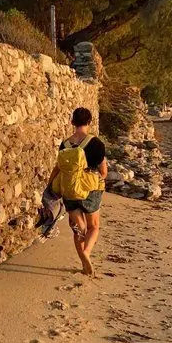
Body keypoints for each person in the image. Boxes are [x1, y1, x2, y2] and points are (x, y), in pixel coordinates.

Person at [51, 107, 108, 275]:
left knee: (78, 229)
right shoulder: (96, 143)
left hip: (69, 190)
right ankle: (86, 253)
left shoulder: (65, 144)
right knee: (94, 227)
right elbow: (103, 172)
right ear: (89, 122)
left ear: (72, 122)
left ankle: (84, 265)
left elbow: (58, 168)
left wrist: (50, 187)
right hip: (90, 189)